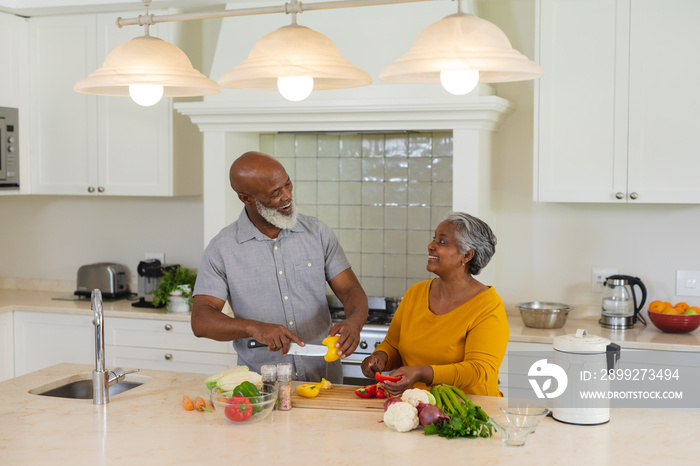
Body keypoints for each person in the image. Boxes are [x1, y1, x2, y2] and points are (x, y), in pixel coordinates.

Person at [191, 151, 368, 384]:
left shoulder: (317, 232)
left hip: (324, 382)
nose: (287, 196)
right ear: (246, 198)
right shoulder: (222, 248)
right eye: (275, 193)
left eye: (287, 184)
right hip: (261, 388)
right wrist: (254, 328)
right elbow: (201, 320)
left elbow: (350, 290)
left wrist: (354, 323)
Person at [361, 211, 509, 397]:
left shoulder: (488, 306)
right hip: (417, 407)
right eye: (434, 239)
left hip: (470, 412)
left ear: (467, 255)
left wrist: (421, 373)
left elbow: (478, 370)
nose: (430, 246)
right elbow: (393, 345)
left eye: (442, 242)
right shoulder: (415, 293)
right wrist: (380, 358)